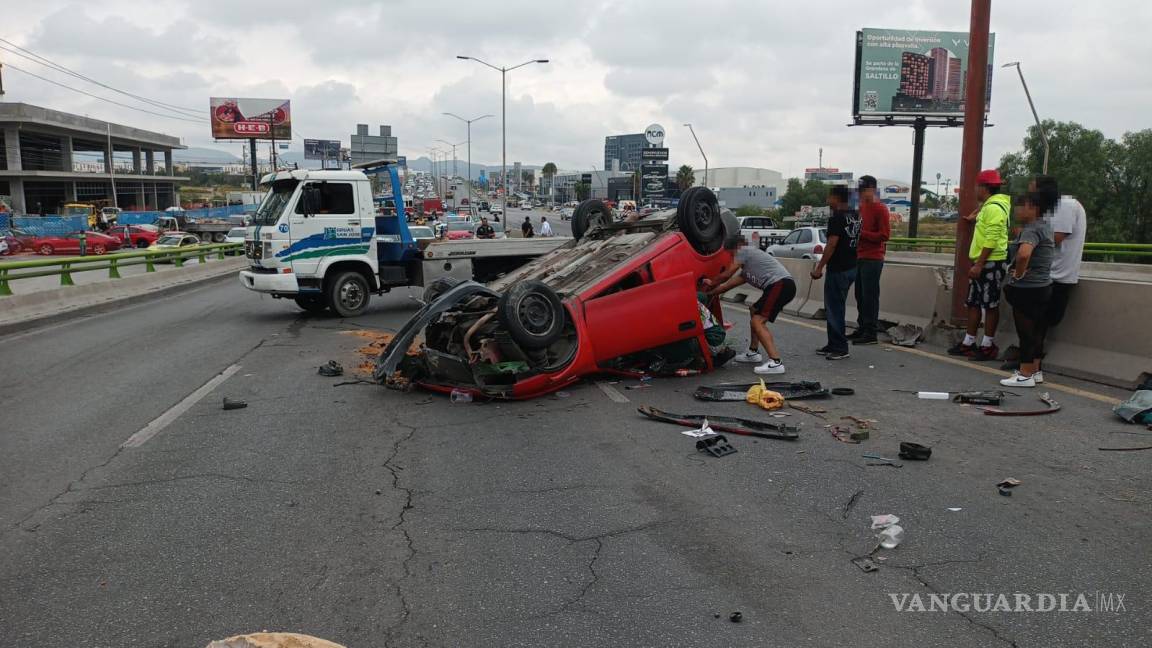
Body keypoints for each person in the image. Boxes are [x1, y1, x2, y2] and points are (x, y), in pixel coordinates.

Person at [705, 235, 797, 374]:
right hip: (780, 286)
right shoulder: (747, 271)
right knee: (754, 309)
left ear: (737, 247)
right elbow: (725, 286)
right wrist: (706, 294)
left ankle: (776, 362)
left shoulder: (745, 251)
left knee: (757, 321)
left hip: (781, 284)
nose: (731, 258)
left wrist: (710, 282)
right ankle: (753, 352)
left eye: (731, 254)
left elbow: (726, 275)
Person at [949, 169, 1010, 361]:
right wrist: (974, 216)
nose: (975, 190)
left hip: (990, 263)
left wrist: (979, 264)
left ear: (984, 188)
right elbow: (985, 212)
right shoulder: (992, 205)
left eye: (977, 186)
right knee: (974, 302)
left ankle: (987, 345)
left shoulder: (993, 208)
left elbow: (991, 238)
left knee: (989, 304)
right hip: (984, 262)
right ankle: (969, 342)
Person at [1000, 192, 1055, 387]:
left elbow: (1023, 254)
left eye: (1019, 206)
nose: (1016, 210)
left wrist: (1018, 274)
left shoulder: (1031, 229)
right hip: (1044, 285)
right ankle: (1035, 370)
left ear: (1031, 206)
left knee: (1026, 332)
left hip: (1027, 288)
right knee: (1038, 330)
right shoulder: (1045, 227)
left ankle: (1024, 374)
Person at [1033, 175, 1085, 372]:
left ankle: (1032, 366)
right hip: (1048, 272)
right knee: (1035, 320)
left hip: (1059, 274)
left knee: (1042, 320)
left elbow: (1055, 238)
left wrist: (1028, 239)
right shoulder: (1052, 209)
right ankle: (1029, 362)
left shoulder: (1065, 206)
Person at [810, 185, 861, 360]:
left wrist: (819, 267)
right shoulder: (855, 215)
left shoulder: (837, 217)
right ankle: (832, 344)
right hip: (852, 266)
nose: (827, 201)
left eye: (829, 197)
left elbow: (831, 244)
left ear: (837, 198)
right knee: (835, 307)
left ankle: (840, 347)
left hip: (838, 268)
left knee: (834, 309)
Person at [850, 175, 890, 345]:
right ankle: (862, 327)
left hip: (873, 257)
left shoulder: (880, 209)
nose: (861, 194)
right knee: (859, 294)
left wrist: (862, 235)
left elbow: (884, 235)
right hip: (859, 255)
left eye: (864, 190)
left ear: (872, 189)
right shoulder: (860, 207)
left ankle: (870, 331)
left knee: (870, 295)